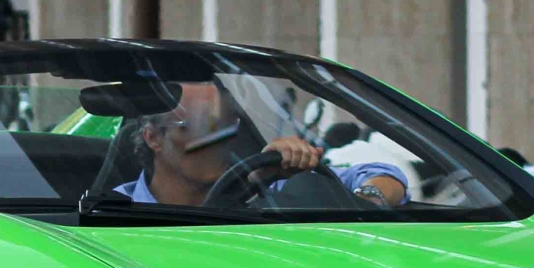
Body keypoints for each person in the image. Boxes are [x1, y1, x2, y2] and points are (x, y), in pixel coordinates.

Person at [118, 82, 409, 208]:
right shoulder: (113, 213)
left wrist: (367, 199)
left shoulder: (266, 187)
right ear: (154, 137)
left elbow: (388, 175)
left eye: (226, 127)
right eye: (202, 126)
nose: (220, 141)